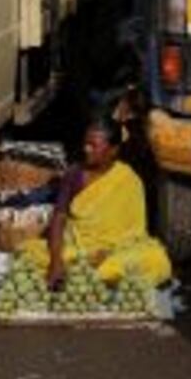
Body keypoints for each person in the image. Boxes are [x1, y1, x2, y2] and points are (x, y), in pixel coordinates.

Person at [20, 115, 172, 289]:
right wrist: (56, 261)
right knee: (28, 253)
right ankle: (91, 277)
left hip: (118, 251)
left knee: (156, 259)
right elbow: (59, 217)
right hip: (78, 248)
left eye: (94, 146)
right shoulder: (74, 174)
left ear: (113, 150)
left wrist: (107, 253)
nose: (86, 149)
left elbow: (134, 233)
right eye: (85, 143)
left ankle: (91, 276)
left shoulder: (129, 179)